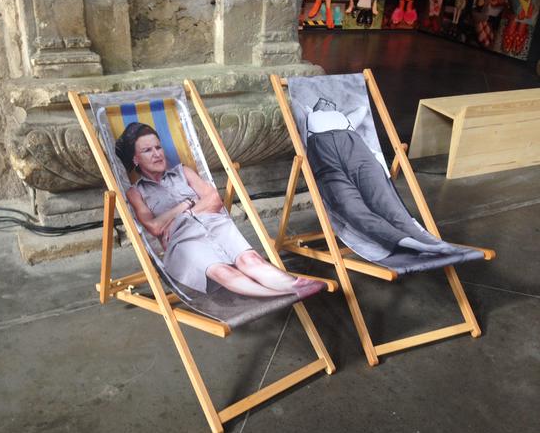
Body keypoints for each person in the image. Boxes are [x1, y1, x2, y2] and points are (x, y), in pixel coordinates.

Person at [115, 122, 325, 298]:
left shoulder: (184, 172)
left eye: (158, 147)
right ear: (135, 159)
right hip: (183, 241)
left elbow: (215, 199)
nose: (157, 154)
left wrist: (184, 213)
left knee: (250, 260)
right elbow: (153, 227)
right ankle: (282, 296)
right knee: (224, 272)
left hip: (214, 224)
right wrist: (184, 204)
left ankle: (294, 285)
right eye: (147, 150)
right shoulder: (136, 192)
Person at [305, 99, 458, 255]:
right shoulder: (308, 114)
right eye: (322, 101)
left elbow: (362, 107)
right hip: (328, 163)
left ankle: (428, 241)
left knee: (387, 203)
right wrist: (313, 111)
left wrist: (340, 112)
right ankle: (418, 247)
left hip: (359, 156)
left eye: (330, 102)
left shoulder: (347, 119)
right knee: (352, 210)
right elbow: (295, 104)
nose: (327, 103)